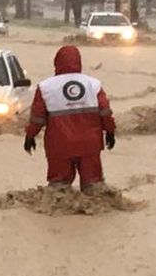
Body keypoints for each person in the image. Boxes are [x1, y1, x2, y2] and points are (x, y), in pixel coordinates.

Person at [24, 45, 116, 193]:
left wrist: (30, 135)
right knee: (94, 187)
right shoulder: (93, 84)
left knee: (58, 188)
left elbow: (37, 118)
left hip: (59, 144)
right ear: (79, 62)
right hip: (89, 144)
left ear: (56, 62)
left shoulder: (45, 87)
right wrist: (110, 132)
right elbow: (105, 112)